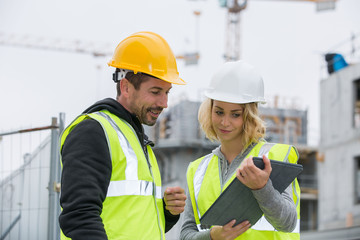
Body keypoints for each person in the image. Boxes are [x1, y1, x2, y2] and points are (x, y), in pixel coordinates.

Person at [59, 31, 187, 240]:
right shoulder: (93, 131)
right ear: (126, 87)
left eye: (167, 92)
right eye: (155, 92)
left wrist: (166, 211)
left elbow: (132, 222)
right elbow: (79, 217)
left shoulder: (137, 140)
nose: (164, 103)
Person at [180, 60, 301, 240]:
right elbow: (186, 234)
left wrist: (262, 188)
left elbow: (288, 223)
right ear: (210, 109)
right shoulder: (197, 170)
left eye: (235, 114)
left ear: (249, 115)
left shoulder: (273, 157)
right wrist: (212, 236)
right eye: (219, 112)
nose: (225, 122)